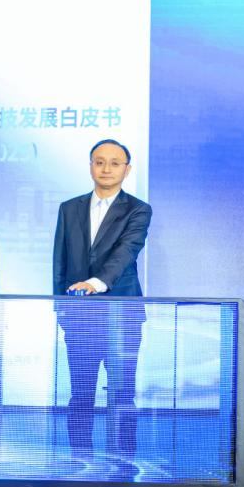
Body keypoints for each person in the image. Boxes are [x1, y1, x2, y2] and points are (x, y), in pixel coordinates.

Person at [53, 139, 152, 457]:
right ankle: (79, 461)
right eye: (99, 161)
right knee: (80, 394)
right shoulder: (69, 208)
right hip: (79, 319)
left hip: (122, 318)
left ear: (127, 169)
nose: (106, 168)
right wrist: (60, 309)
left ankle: (123, 463)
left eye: (114, 163)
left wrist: (95, 284)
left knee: (122, 395)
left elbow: (126, 252)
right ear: (90, 166)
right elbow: (60, 262)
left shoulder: (138, 210)